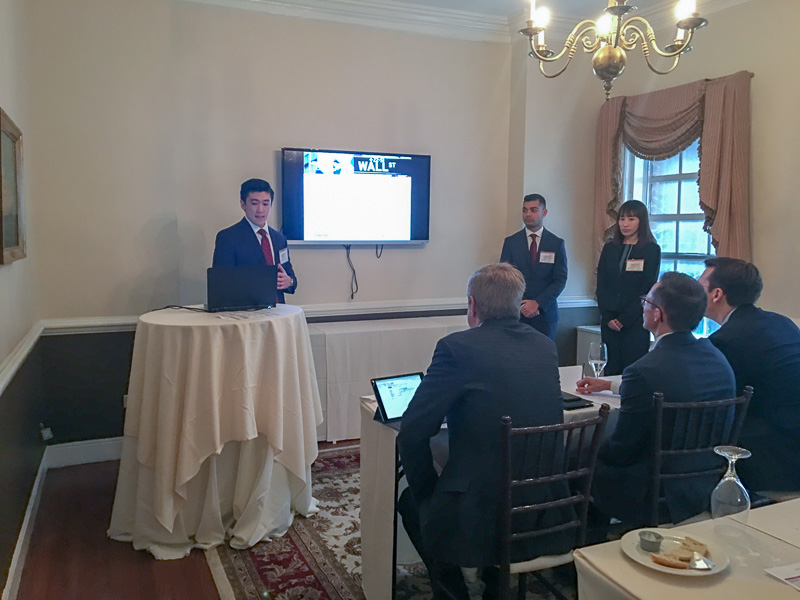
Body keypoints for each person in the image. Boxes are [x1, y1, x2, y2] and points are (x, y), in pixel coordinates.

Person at [397, 263, 573, 600]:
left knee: (412, 504)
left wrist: (429, 493)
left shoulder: (456, 348)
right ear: (517, 303)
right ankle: (494, 582)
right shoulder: (545, 346)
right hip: (545, 506)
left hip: (483, 517)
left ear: (472, 305)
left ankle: (453, 591)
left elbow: (412, 432)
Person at [577, 272, 735, 526]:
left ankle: (587, 553)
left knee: (580, 464)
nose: (643, 307)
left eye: (646, 302)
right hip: (706, 483)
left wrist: (588, 453)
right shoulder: (718, 360)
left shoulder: (644, 370)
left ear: (657, 314)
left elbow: (623, 449)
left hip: (654, 492)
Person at [699, 257, 800, 492]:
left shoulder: (727, 339)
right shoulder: (781, 322)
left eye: (699, 286)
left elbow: (713, 400)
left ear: (717, 294)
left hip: (777, 453)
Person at [595, 200, 661, 375]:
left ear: (641, 221)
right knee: (610, 368)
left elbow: (648, 288)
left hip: (635, 321)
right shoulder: (610, 248)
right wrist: (608, 316)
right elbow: (601, 284)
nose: (625, 224)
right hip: (609, 320)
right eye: (622, 219)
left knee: (633, 368)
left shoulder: (651, 250)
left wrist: (625, 319)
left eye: (631, 219)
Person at [212, 178, 297, 303]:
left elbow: (291, 279)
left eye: (265, 203)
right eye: (254, 203)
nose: (260, 210)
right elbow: (220, 284)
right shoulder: (228, 238)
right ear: (243, 204)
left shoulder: (279, 239)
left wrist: (288, 282)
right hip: (246, 315)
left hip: (278, 313)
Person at [500, 193, 567, 340]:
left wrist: (537, 303)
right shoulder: (511, 242)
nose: (528, 214)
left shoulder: (556, 244)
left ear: (544, 212)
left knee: (543, 359)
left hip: (545, 315)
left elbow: (560, 280)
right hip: (517, 314)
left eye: (533, 210)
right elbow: (505, 278)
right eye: (525, 210)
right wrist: (523, 305)